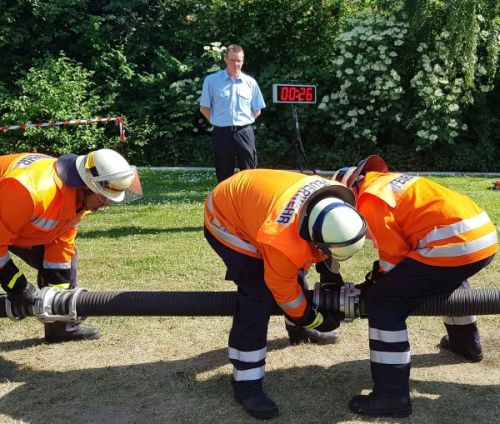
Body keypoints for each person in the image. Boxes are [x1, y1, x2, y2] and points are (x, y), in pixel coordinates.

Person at [332, 155, 497, 418]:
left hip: (452, 245)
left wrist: (376, 285)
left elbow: (393, 260)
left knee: (385, 302)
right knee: (445, 278)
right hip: (483, 237)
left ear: (349, 192)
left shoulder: (369, 198)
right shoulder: (390, 182)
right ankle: (466, 344)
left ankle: (391, 396)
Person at [204, 168, 367, 419]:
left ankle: (296, 332)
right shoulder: (282, 242)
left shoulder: (333, 204)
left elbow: (323, 246)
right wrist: (314, 319)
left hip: (256, 202)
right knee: (257, 294)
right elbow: (285, 293)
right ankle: (246, 385)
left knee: (294, 268)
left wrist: (330, 272)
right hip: (227, 219)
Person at [0, 149, 142, 342]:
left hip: (17, 222)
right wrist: (17, 286)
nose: (106, 204)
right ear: (86, 187)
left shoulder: (75, 196)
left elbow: (61, 239)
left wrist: (59, 295)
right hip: (8, 212)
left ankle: (61, 327)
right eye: (104, 198)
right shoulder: (28, 190)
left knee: (68, 258)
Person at [200, 44, 266, 182]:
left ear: (243, 61)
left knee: (249, 173)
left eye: (239, 60)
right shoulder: (211, 81)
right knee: (223, 174)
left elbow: (257, 110)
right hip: (222, 133)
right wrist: (218, 121)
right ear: (225, 59)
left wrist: (244, 121)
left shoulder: (250, 82)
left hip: (245, 133)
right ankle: (225, 202)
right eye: (232, 60)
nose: (236, 64)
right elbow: (204, 108)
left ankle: (247, 201)